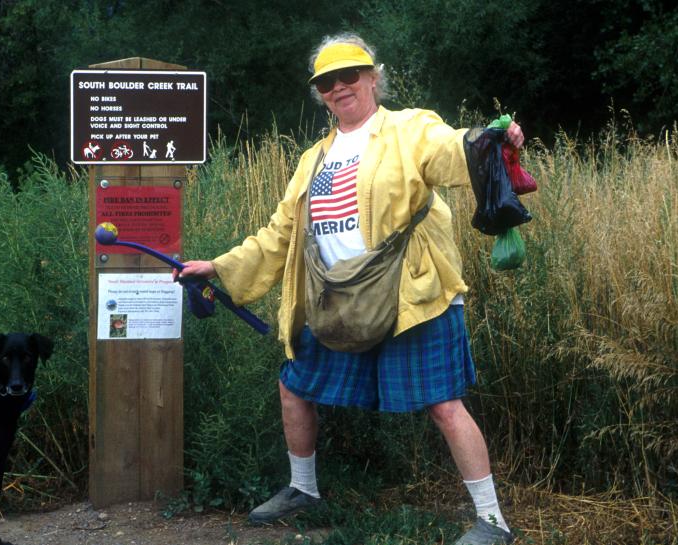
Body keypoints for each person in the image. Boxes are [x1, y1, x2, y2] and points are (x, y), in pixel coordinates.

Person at [176, 33, 523, 545]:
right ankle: (304, 489)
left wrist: (488, 139)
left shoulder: (409, 129)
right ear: (320, 93)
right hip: (337, 299)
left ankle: (493, 521)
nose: (340, 88)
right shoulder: (313, 159)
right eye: (327, 82)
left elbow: (451, 149)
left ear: (372, 78)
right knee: (294, 384)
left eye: (349, 76)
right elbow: (281, 233)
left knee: (445, 405)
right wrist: (221, 268)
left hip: (411, 295)